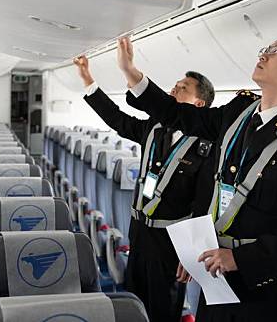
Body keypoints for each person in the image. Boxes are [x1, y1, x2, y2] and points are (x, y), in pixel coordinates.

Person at [115, 23, 277, 321]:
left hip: (262, 288)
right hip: (215, 274)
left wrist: (239, 259)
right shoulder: (239, 112)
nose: (265, 54)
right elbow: (179, 116)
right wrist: (132, 73)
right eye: (267, 49)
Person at [73, 54, 216, 322]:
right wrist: (88, 80)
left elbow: (205, 204)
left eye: (183, 87)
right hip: (138, 232)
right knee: (133, 305)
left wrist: (191, 253)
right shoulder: (155, 128)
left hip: (170, 243)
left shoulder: (207, 147)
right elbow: (117, 119)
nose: (175, 88)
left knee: (163, 310)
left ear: (199, 104)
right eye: (176, 84)